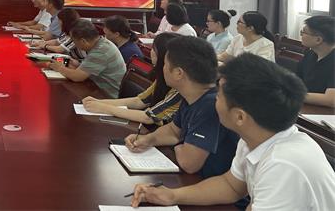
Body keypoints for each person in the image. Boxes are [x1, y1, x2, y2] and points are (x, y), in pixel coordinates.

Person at [131, 54, 335, 210]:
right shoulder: (256, 137)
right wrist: (173, 196)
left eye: (219, 94)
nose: (214, 98)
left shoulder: (283, 164)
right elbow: (231, 186)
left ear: (240, 117)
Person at [125, 36, 238, 177]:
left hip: (206, 183)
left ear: (178, 73)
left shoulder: (211, 105)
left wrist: (178, 145)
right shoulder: (191, 96)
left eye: (165, 64)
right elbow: (173, 131)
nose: (163, 68)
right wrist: (148, 139)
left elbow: (189, 164)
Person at [81, 32, 183, 125]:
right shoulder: (162, 77)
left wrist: (105, 108)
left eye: (154, 49)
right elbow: (139, 101)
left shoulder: (180, 89)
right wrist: (99, 102)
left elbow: (149, 117)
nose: (151, 52)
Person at [48, 19, 126, 98]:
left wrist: (59, 68)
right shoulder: (100, 43)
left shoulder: (101, 51)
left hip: (107, 95)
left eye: (74, 41)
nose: (75, 45)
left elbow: (77, 77)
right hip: (96, 88)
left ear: (83, 41)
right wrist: (78, 65)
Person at [297, 15, 335, 107]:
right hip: (308, 107)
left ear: (318, 40)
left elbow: (331, 100)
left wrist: (293, 95)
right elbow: (296, 81)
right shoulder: (310, 54)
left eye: (303, 32)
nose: (301, 35)